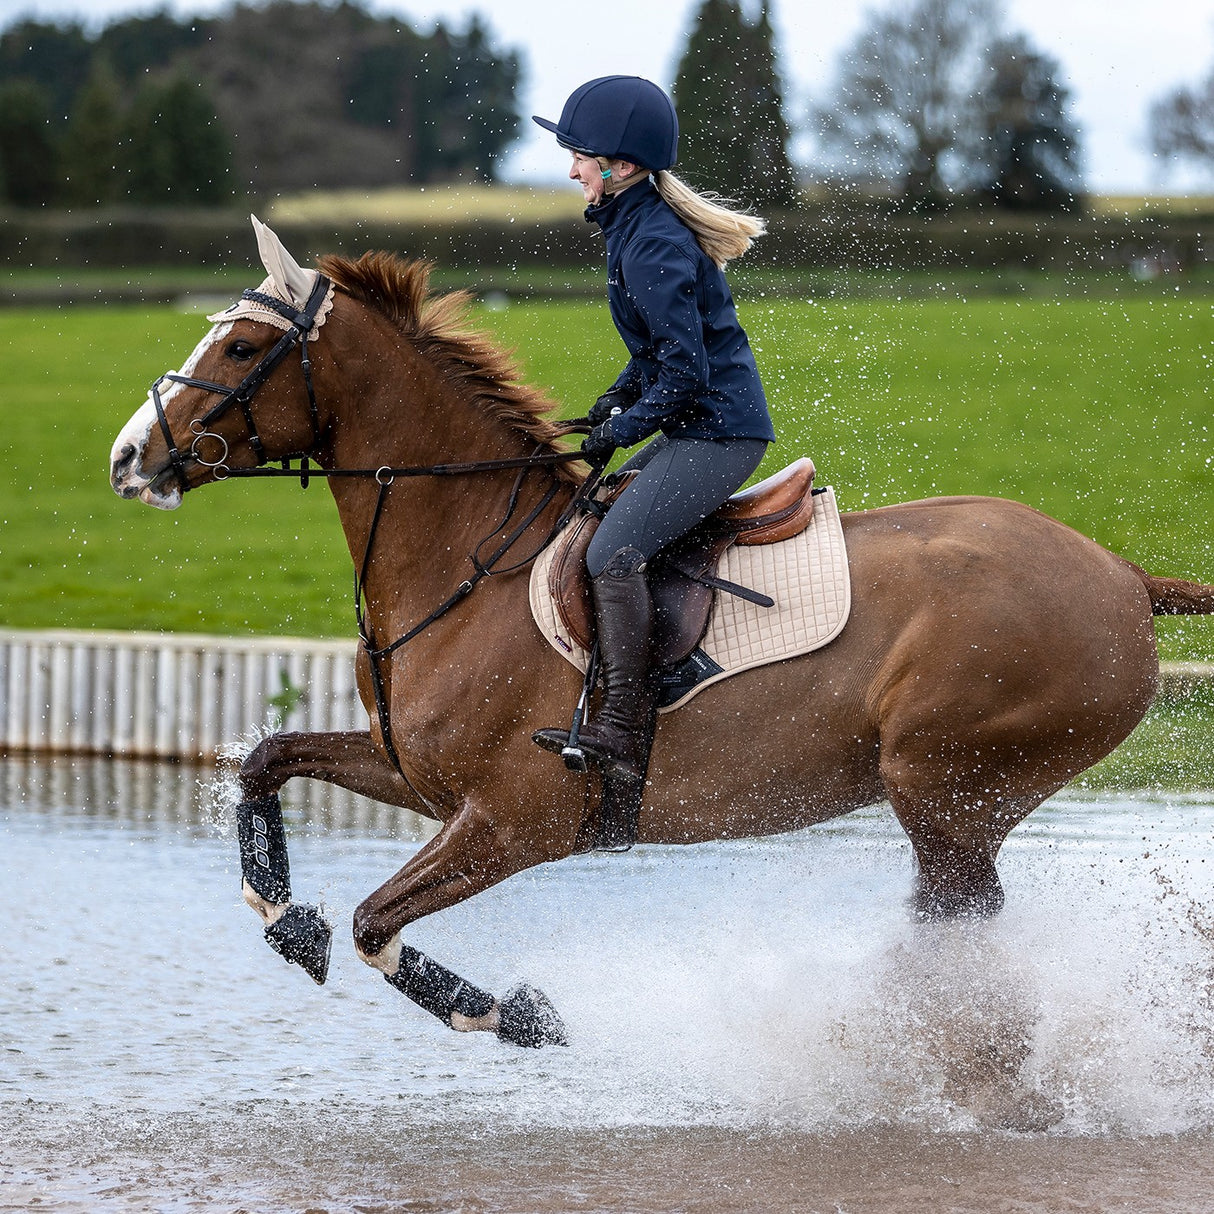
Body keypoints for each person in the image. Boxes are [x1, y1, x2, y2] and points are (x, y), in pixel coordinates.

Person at [530, 75, 777, 783]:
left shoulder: (651, 245)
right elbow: (658, 356)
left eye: (580, 154)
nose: (571, 167)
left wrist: (626, 429)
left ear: (621, 166)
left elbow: (687, 377)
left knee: (613, 552)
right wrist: (617, 399)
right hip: (702, 423)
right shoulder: (633, 229)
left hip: (720, 432)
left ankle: (620, 725)